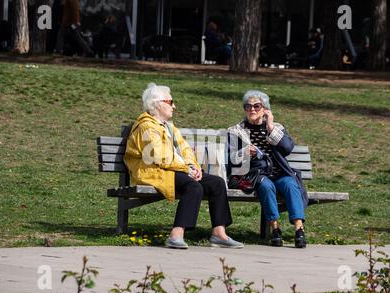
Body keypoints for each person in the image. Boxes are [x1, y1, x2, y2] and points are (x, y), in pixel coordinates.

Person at [124, 83, 244, 250]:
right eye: (170, 102)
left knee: (216, 183)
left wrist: (193, 167)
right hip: (153, 172)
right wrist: (187, 170)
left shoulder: (169, 127)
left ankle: (219, 233)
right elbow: (159, 157)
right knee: (193, 187)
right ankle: (176, 234)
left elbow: (185, 149)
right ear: (158, 104)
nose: (174, 106)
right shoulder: (146, 126)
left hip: (174, 170)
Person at [227, 90, 308, 248]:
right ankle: (275, 229)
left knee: (291, 185)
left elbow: (288, 148)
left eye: (257, 106)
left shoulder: (276, 128)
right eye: (248, 106)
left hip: (280, 172)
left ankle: (299, 230)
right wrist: (244, 152)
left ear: (265, 109)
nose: (252, 110)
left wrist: (270, 126)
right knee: (266, 186)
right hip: (257, 174)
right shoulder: (236, 131)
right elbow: (229, 159)